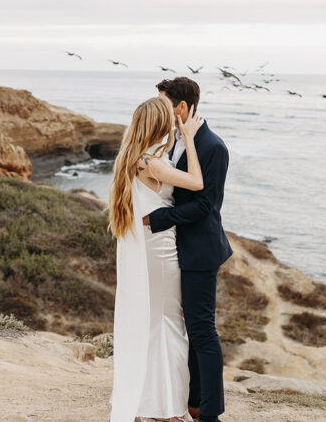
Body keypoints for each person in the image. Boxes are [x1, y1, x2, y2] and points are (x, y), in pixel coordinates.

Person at [109, 95, 204, 422]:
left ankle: (147, 404)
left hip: (144, 248)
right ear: (159, 125)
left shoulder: (130, 159)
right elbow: (196, 182)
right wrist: (189, 139)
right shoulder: (152, 163)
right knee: (170, 324)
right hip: (160, 250)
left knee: (152, 324)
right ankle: (168, 409)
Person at [144, 77, 233, 422]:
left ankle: (209, 413)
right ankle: (192, 401)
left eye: (164, 104)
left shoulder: (213, 147)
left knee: (202, 332)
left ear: (182, 107)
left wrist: (159, 218)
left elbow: (205, 206)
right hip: (172, 251)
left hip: (200, 251)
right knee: (184, 329)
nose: (160, 111)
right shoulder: (170, 143)